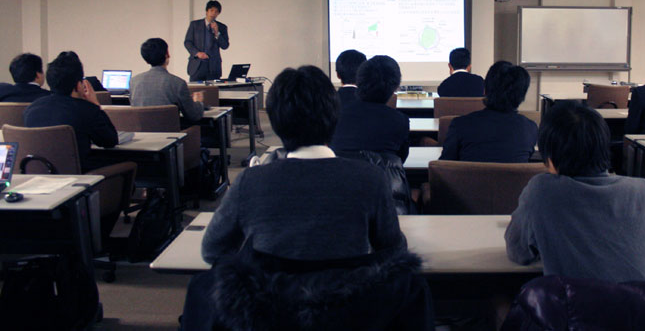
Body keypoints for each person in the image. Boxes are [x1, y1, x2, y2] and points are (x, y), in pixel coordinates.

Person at [184, 65, 432, 330]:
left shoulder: (250, 181)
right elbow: (394, 251)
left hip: (271, 315)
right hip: (348, 314)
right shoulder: (371, 178)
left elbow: (213, 251)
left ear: (275, 122)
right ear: (334, 116)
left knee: (202, 286)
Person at [505, 102, 645, 283]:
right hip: (644, 302)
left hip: (574, 304)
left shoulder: (542, 191)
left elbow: (519, 252)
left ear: (550, 157)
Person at [24, 51, 118, 169]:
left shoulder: (31, 109)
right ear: (79, 85)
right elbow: (110, 141)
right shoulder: (87, 109)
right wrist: (95, 104)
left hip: (39, 174)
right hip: (80, 175)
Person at [440, 60, 538, 162]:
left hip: (469, 173)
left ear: (485, 90)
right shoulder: (530, 129)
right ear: (522, 95)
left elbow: (443, 165)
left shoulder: (460, 125)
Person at [330, 55, 410, 162]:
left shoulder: (337, 116)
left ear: (360, 80)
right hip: (381, 173)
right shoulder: (400, 121)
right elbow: (400, 160)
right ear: (395, 87)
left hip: (341, 172)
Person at [131, 38, 205, 123]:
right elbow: (194, 116)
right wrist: (198, 102)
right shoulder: (178, 83)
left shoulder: (133, 82)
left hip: (141, 131)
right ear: (167, 54)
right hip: (170, 131)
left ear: (146, 60)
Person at [184, 0, 229, 81]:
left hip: (213, 66)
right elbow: (188, 42)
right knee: (195, 88)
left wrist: (217, 33)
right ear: (206, 11)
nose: (213, 13)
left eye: (216, 11)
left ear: (218, 13)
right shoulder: (195, 25)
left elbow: (225, 46)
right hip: (197, 65)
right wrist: (197, 53)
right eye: (211, 10)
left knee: (213, 89)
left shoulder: (222, 27)